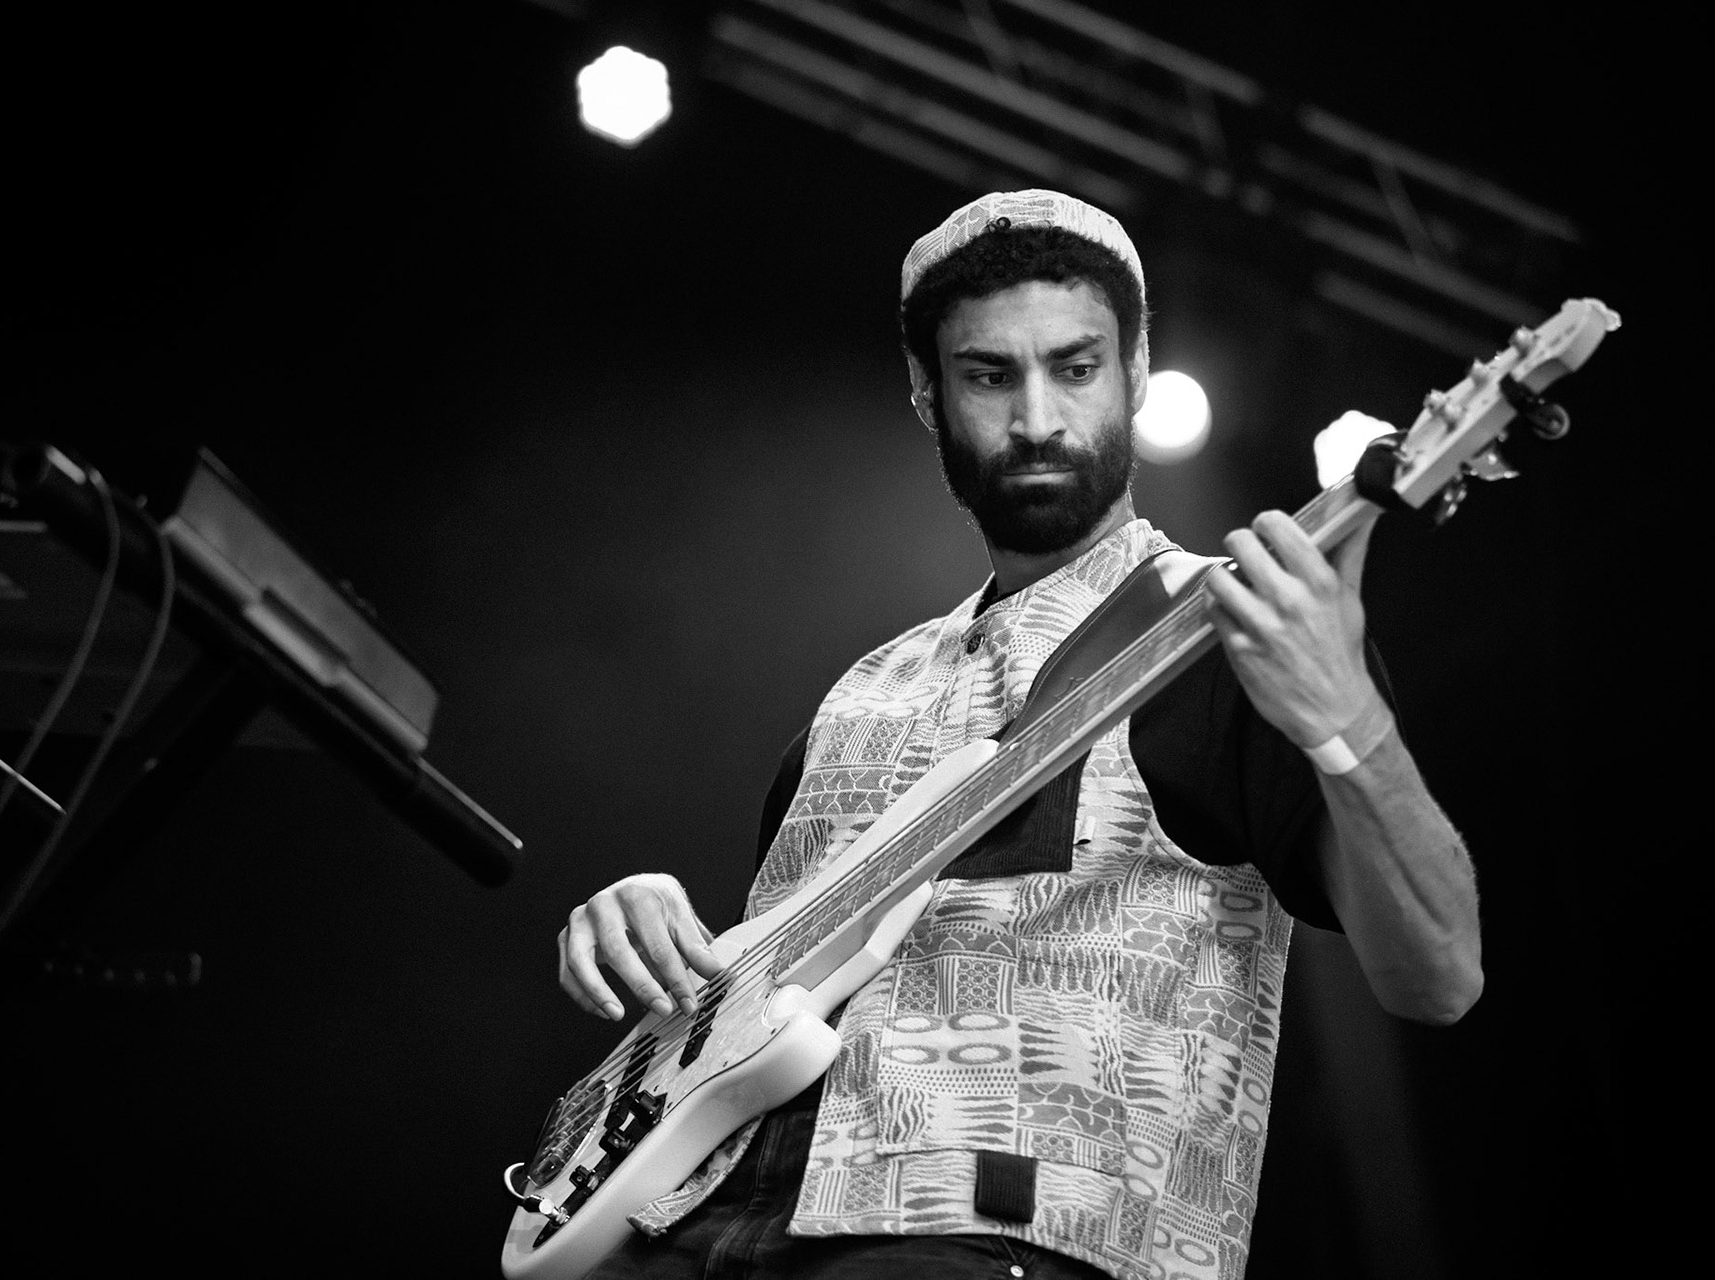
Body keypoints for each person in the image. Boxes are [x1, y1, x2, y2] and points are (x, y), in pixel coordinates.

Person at [554, 189, 1483, 1280]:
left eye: (1076, 367)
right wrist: (665, 941)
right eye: (990, 375)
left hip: (997, 1244)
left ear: (1136, 373)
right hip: (702, 1236)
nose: (1037, 417)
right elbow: (767, 1001)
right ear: (926, 395)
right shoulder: (861, 690)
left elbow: (1441, 974)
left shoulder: (1232, 631)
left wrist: (1346, 718)